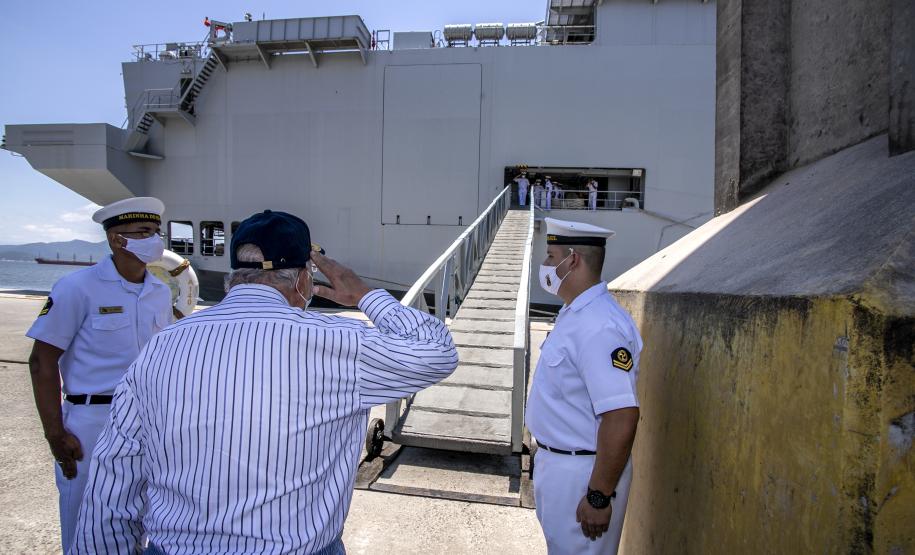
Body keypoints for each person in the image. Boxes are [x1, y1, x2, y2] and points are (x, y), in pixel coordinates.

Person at [70, 210, 459, 554]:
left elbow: (114, 479)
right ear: (305, 281)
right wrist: (365, 295)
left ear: (232, 276)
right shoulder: (340, 344)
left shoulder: (161, 347)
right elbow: (437, 351)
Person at [25, 197, 173, 552]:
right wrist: (55, 432)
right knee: (84, 518)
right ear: (117, 240)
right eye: (143, 232)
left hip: (149, 419)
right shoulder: (77, 288)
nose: (154, 239)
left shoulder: (160, 293)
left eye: (155, 231)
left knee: (143, 511)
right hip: (93, 420)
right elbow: (41, 362)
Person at [526, 217, 642, 554]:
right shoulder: (575, 314)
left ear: (572, 259)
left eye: (550, 255)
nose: (545, 265)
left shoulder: (599, 326)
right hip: (560, 465)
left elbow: (622, 416)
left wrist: (598, 495)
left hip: (583, 475)